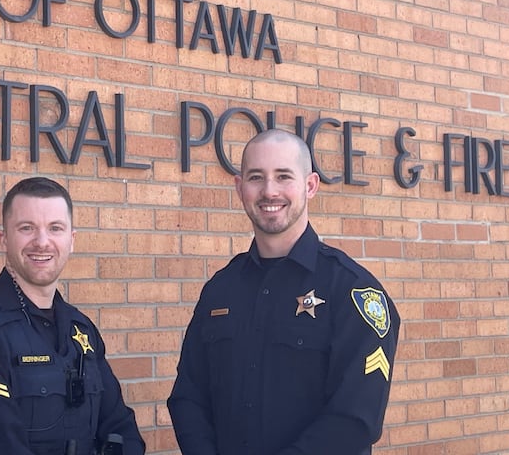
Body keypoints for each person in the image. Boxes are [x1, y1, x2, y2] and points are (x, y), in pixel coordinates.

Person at [167, 129, 400, 455]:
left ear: (310, 185)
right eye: (256, 177)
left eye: (283, 176)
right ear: (239, 187)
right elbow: (188, 396)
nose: (269, 191)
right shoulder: (220, 291)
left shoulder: (352, 291)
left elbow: (355, 420)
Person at [0, 176, 145, 455]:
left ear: (71, 241)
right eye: (27, 228)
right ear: (4, 239)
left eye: (55, 228)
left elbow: (121, 428)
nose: (42, 242)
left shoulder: (80, 330)